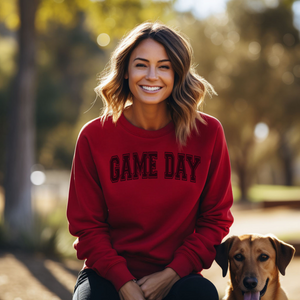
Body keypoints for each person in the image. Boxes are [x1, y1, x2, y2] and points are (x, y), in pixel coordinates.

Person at [67, 21, 234, 300]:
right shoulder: (94, 137)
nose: (152, 76)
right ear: (126, 72)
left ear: (178, 73)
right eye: (141, 64)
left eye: (164, 66)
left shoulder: (207, 133)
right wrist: (124, 283)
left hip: (179, 276)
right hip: (107, 275)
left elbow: (215, 220)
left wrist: (170, 275)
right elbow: (87, 227)